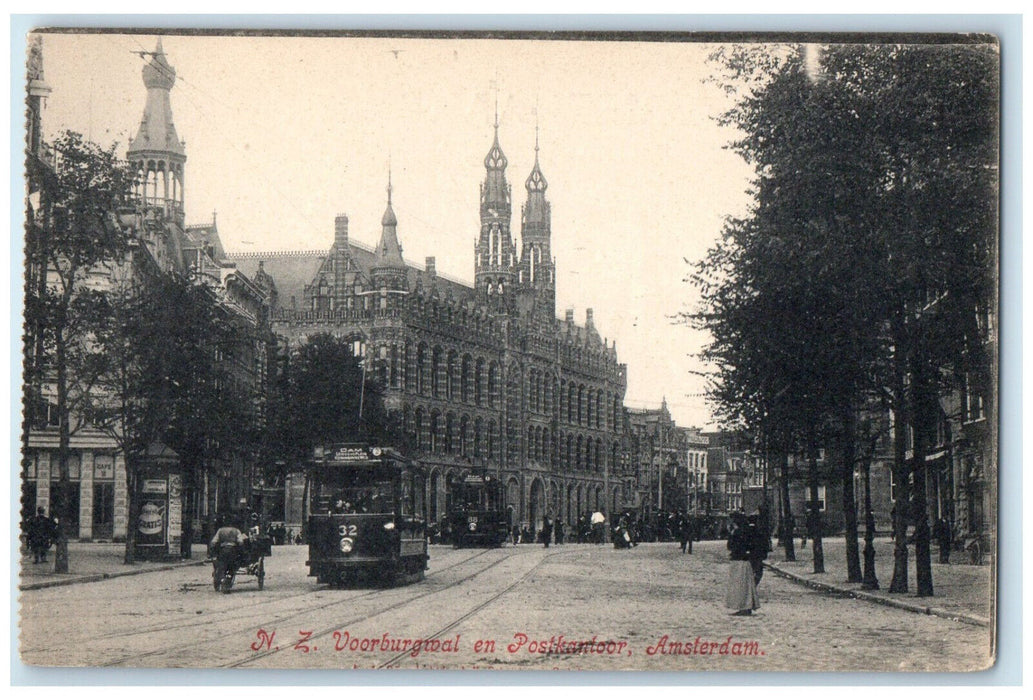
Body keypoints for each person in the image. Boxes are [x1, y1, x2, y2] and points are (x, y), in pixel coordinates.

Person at [726, 511, 760, 616]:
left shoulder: (737, 532)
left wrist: (731, 534)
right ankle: (747, 605)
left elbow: (731, 546)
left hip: (739, 560)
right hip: (745, 560)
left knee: (740, 584)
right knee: (746, 584)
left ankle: (743, 606)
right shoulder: (746, 530)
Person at [209, 518, 248, 591]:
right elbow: (240, 542)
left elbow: (214, 541)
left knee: (221, 564)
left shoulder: (220, 530)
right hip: (232, 550)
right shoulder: (236, 531)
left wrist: (212, 549)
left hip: (223, 550)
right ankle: (229, 578)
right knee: (232, 566)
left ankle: (219, 577)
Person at [747, 513, 770, 585]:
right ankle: (753, 586)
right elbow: (765, 544)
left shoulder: (744, 532)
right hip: (757, 556)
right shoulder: (760, 532)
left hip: (747, 556)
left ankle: (749, 587)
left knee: (748, 573)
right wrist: (764, 554)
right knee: (758, 573)